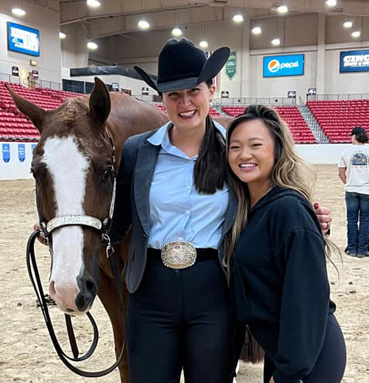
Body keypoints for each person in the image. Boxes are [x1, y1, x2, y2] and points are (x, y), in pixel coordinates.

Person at [107, 39, 333, 383]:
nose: (185, 103)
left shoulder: (235, 150)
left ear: (211, 88)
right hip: (150, 290)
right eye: (173, 95)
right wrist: (61, 224)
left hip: (215, 288)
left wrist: (310, 221)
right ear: (161, 98)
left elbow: (270, 202)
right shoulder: (138, 151)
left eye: (193, 91)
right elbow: (119, 221)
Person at [225, 105, 346, 383]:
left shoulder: (288, 208)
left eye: (256, 145)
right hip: (282, 352)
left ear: (277, 149)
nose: (244, 154)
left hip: (307, 356)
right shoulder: (248, 208)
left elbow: (305, 298)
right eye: (235, 147)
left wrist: (290, 373)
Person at [338, 126, 369, 258]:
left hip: (351, 189)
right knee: (365, 220)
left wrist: (348, 183)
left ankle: (351, 248)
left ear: (355, 136)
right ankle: (362, 249)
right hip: (366, 190)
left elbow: (341, 172)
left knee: (351, 220)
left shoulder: (346, 152)